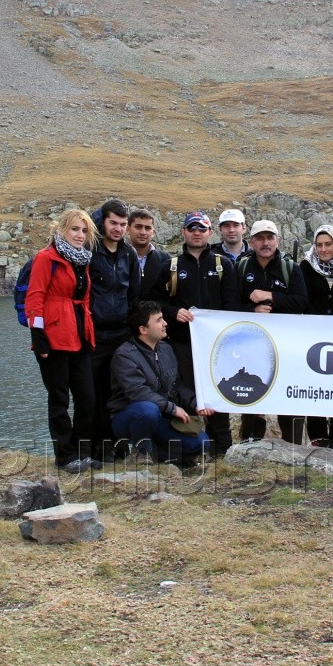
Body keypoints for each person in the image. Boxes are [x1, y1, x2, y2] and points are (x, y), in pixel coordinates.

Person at [154, 211, 242, 456]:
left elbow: (232, 306)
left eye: (201, 229)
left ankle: (222, 451)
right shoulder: (171, 266)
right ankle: (192, 449)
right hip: (181, 344)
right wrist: (173, 312)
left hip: (216, 347)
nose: (196, 233)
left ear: (209, 233)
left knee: (217, 394)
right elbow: (154, 302)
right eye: (191, 228)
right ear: (183, 232)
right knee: (185, 394)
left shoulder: (223, 265)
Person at [24, 208, 99, 474]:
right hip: (54, 339)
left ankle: (83, 451)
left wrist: (88, 327)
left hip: (79, 337)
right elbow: (35, 298)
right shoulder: (46, 258)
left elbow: (85, 298)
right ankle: (65, 456)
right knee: (59, 399)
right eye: (75, 229)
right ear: (62, 230)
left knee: (87, 397)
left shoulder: (83, 260)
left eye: (84, 230)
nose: (80, 235)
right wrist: (38, 335)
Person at [109, 301, 214, 467]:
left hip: (161, 417)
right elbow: (138, 393)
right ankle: (141, 451)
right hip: (129, 418)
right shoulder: (124, 355)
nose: (165, 323)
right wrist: (172, 408)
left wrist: (197, 403)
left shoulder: (166, 349)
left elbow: (177, 385)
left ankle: (161, 454)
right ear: (143, 330)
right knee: (147, 410)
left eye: (163, 319)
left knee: (201, 443)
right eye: (158, 320)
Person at [238, 219, 310, 442]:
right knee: (252, 398)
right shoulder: (241, 268)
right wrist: (252, 310)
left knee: (289, 398)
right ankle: (248, 447)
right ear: (251, 242)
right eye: (260, 238)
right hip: (252, 346)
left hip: (285, 347)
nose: (265, 242)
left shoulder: (291, 268)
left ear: (277, 240)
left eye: (270, 238)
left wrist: (270, 297)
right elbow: (230, 304)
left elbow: (302, 303)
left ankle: (294, 448)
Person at [88, 199, 139, 460]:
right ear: (102, 222)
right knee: (92, 394)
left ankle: (116, 446)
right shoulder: (89, 251)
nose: (118, 229)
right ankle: (92, 448)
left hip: (121, 336)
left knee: (118, 393)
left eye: (122, 224)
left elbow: (134, 295)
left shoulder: (129, 254)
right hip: (93, 335)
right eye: (113, 223)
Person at [300, 223, 333, 452]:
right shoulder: (304, 267)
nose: (323, 249)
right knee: (316, 388)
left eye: (328, 244)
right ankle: (318, 439)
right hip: (314, 337)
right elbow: (303, 298)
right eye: (319, 245)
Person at [128, 207, 171, 301]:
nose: (143, 232)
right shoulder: (119, 257)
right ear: (128, 229)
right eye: (138, 227)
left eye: (148, 228)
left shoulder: (165, 259)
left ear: (153, 233)